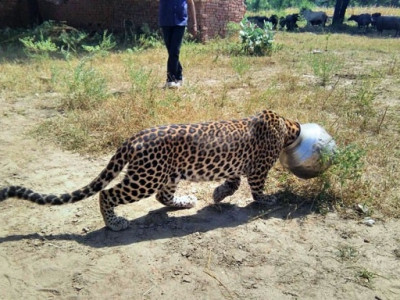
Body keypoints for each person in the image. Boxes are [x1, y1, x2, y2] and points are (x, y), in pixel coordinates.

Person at [159, 0, 197, 89]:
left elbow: (191, 3)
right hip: (165, 22)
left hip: (180, 22)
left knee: (174, 51)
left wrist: (194, 24)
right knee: (171, 51)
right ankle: (179, 76)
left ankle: (171, 80)